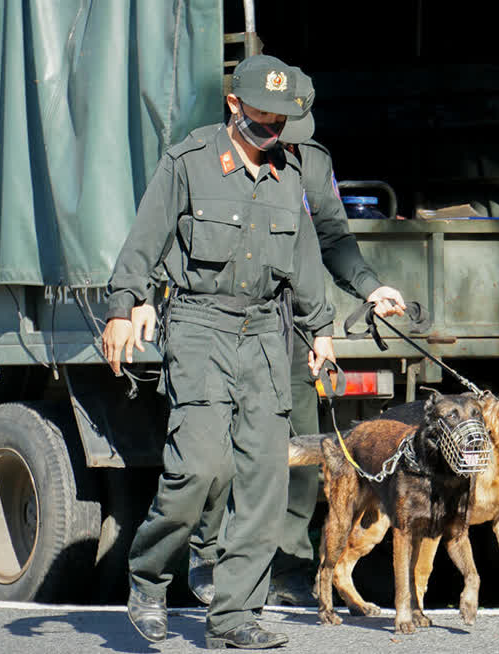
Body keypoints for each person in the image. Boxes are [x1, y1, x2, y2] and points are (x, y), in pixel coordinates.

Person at [130, 69, 409, 608]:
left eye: (291, 124)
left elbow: (330, 239)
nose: (282, 134)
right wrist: (135, 298)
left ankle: (281, 570)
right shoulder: (207, 160)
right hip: (219, 321)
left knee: (290, 455)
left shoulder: (311, 161)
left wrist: (367, 291)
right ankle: (207, 552)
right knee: (211, 455)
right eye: (274, 121)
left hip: (287, 325)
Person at [102, 54, 335, 650]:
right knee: (198, 468)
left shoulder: (290, 176)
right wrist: (122, 308)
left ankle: (234, 615)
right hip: (201, 327)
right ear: (234, 105)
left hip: (264, 335)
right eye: (263, 115)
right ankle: (150, 576)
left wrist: (322, 331)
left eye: (284, 120)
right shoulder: (189, 162)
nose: (274, 128)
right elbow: (142, 244)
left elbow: (306, 264)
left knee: (263, 482)